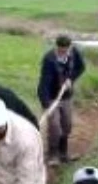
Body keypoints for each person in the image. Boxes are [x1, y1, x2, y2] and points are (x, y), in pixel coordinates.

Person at [36, 34, 86, 166]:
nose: (63, 53)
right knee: (55, 127)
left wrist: (71, 79)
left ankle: (63, 154)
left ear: (70, 47)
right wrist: (46, 104)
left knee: (67, 125)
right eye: (60, 50)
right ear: (56, 47)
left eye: (65, 50)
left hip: (66, 96)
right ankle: (52, 155)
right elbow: (43, 84)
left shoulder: (74, 53)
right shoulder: (49, 59)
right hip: (52, 97)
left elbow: (81, 67)